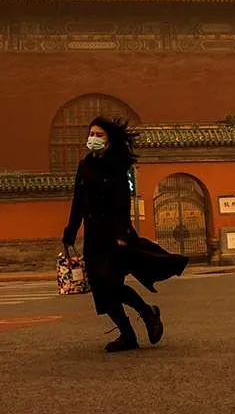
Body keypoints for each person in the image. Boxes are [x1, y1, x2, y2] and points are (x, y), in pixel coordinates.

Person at [62, 117, 189, 353]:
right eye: (91, 134)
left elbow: (122, 201)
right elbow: (78, 200)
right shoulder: (85, 165)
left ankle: (145, 313)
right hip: (93, 235)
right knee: (101, 288)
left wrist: (121, 233)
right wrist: (70, 231)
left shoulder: (117, 166)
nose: (93, 138)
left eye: (99, 135)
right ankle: (130, 332)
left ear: (109, 140)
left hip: (114, 234)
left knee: (110, 282)